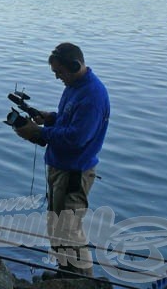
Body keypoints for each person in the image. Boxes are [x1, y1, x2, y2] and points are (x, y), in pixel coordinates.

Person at [15, 43, 110, 277]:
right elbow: (69, 121)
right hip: (59, 168)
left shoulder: (93, 96)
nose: (58, 77)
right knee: (56, 228)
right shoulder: (74, 86)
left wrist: (39, 132)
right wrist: (50, 118)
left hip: (74, 173)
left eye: (60, 73)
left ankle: (82, 281)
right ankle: (65, 274)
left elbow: (76, 138)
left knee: (69, 231)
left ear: (75, 66)